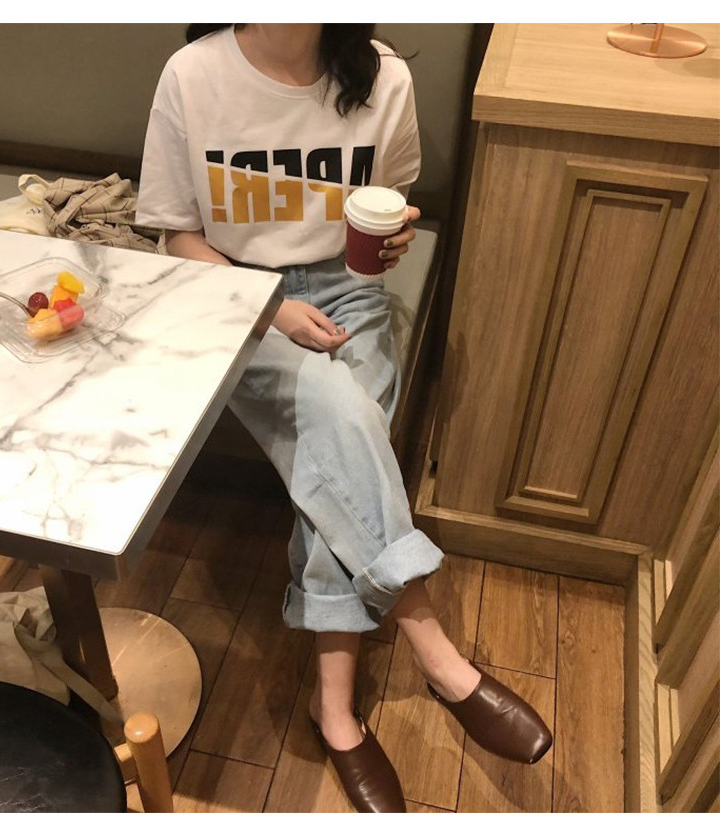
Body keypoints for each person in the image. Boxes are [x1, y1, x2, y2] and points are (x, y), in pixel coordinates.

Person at [136, 23, 552, 813]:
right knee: (342, 410)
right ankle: (434, 647)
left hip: (347, 289)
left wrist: (394, 236)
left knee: (343, 437)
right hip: (237, 295)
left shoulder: (384, 78)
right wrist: (272, 307)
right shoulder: (192, 74)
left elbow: (391, 208)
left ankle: (334, 711)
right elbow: (177, 235)